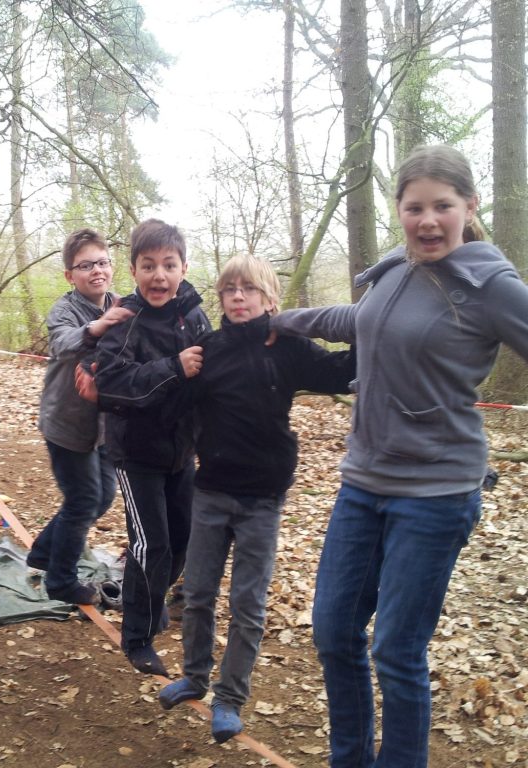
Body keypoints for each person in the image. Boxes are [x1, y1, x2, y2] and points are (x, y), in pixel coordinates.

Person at [268, 144, 528, 767]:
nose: (428, 220)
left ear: (469, 207)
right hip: (364, 483)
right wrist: (281, 321)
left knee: (396, 650)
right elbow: (359, 319)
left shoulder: (491, 285)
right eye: (415, 208)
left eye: (443, 206)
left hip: (436, 492)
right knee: (333, 632)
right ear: (400, 211)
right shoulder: (396, 271)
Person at [157, 255, 355, 742]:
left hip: (262, 500)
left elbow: (339, 371)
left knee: (248, 604)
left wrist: (375, 325)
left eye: (249, 290)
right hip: (211, 493)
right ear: (221, 298)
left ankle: (229, 698)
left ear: (270, 300)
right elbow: (169, 399)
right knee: (199, 594)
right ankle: (195, 678)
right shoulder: (207, 349)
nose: (238, 297)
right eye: (230, 290)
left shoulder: (287, 347)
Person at [89, 219, 210, 676]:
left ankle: (155, 600)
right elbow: (112, 385)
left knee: (183, 540)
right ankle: (137, 636)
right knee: (150, 545)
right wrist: (174, 367)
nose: (159, 276)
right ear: (135, 270)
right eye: (148, 266)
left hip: (183, 451)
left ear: (182, 268)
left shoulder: (194, 315)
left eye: (168, 265)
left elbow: (211, 374)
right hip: (136, 453)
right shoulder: (125, 320)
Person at [28, 228, 133, 605]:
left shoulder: (121, 304)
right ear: (69, 275)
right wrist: (97, 328)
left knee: (103, 497)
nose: (96, 271)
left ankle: (43, 551)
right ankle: (60, 580)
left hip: (103, 426)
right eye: (85, 266)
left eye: (102, 263)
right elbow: (62, 342)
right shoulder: (65, 310)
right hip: (66, 425)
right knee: (83, 499)